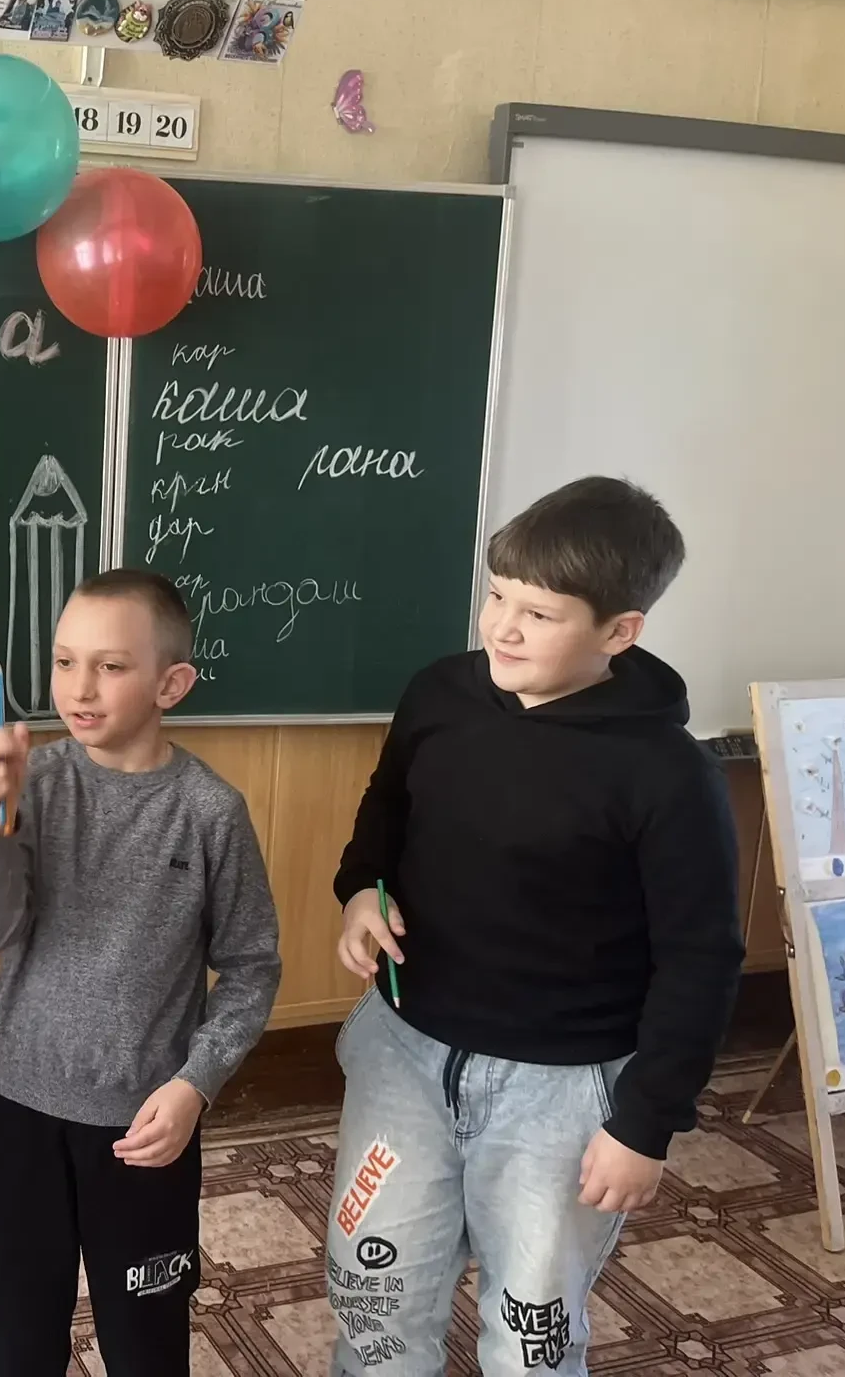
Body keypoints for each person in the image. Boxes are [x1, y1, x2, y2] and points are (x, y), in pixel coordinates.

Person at [326, 477, 743, 1376]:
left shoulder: (669, 775)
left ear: (619, 632)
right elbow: (386, 808)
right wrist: (361, 890)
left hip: (563, 1092)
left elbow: (701, 958)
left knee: (530, 1332)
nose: (502, 629)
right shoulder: (441, 694)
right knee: (374, 1298)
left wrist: (645, 1124)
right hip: (405, 1053)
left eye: (540, 614)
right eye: (498, 597)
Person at [0, 568, 281, 1377]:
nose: (79, 688)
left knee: (145, 1344)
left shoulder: (210, 811)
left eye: (110, 666)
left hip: (142, 1129)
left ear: (171, 684)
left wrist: (195, 1084)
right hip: (18, 1113)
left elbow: (251, 968)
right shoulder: (34, 783)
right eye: (64, 662)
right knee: (15, 1339)